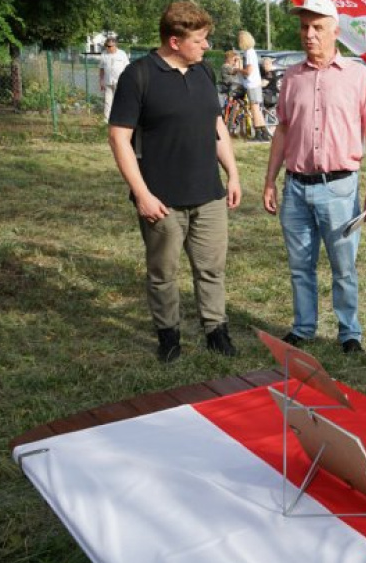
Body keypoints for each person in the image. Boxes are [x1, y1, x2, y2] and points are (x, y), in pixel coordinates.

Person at [108, 2, 242, 362]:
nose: (206, 46)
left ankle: (217, 331)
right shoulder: (138, 76)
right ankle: (169, 338)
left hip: (209, 196)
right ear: (174, 41)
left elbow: (217, 128)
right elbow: (119, 138)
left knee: (212, 269)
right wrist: (142, 195)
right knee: (163, 274)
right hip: (161, 200)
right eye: (199, 40)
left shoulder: (204, 72)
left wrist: (232, 173)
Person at [262, 0, 366, 354]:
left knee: (343, 268)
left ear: (336, 30)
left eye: (317, 27)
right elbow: (283, 130)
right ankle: (303, 327)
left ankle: (349, 333)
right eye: (304, 28)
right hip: (296, 188)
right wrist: (270, 180)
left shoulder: (358, 76)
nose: (309, 35)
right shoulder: (292, 77)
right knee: (301, 266)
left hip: (340, 188)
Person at [236, 31, 269, 142]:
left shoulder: (249, 53)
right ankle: (263, 133)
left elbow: (248, 71)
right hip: (254, 84)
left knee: (255, 109)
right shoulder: (250, 52)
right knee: (256, 109)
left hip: (252, 84)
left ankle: (259, 134)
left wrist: (238, 70)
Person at [98, 36, 130, 123]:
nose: (108, 48)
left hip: (119, 82)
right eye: (107, 46)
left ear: (115, 45)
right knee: (107, 101)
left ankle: (120, 119)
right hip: (108, 81)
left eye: (110, 46)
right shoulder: (104, 54)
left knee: (120, 101)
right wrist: (101, 81)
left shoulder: (122, 54)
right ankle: (106, 120)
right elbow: (101, 69)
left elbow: (127, 67)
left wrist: (127, 80)